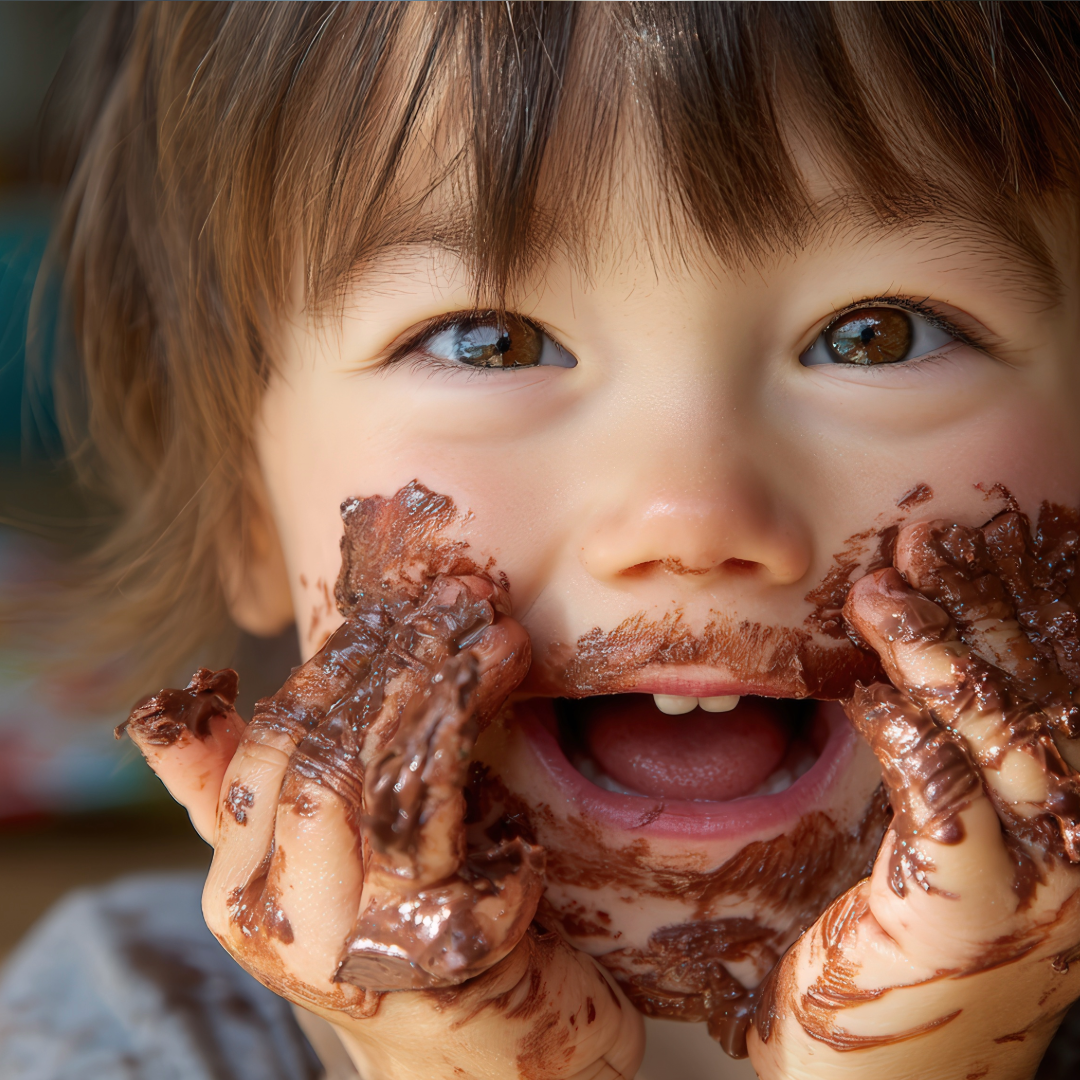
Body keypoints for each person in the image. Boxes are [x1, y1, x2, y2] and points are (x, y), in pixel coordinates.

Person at [11, 2, 1080, 1077]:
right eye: (491, 343)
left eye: (876, 336)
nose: (691, 517)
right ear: (245, 505)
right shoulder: (108, 1030)